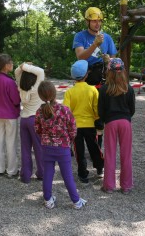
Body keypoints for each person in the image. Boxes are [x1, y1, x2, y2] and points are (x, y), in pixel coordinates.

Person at [35, 81, 87, 209]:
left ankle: (48, 200)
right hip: (63, 148)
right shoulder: (64, 110)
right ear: (54, 93)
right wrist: (68, 139)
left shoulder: (39, 112)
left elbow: (37, 129)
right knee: (67, 175)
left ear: (40, 96)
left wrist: (45, 138)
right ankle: (76, 201)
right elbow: (73, 129)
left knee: (48, 174)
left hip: (46, 147)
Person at [63, 60, 104, 184]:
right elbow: (97, 108)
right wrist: (97, 119)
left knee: (79, 151)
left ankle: (83, 174)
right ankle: (99, 168)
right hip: (90, 125)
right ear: (86, 74)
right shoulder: (92, 90)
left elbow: (66, 110)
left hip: (76, 127)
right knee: (94, 147)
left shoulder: (69, 92)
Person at [98, 58, 135, 194]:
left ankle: (109, 185)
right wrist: (126, 117)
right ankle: (126, 186)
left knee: (110, 153)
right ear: (123, 71)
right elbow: (132, 109)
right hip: (125, 122)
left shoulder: (104, 89)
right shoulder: (129, 89)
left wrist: (105, 120)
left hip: (111, 122)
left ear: (109, 71)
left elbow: (100, 110)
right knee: (126, 154)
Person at [0, 54, 21, 178]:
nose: (12, 64)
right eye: (11, 63)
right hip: (10, 115)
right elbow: (16, 100)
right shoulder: (9, 81)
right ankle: (11, 170)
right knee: (11, 142)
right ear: (6, 65)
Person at [14, 62, 44, 183]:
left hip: (24, 119)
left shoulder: (21, 86)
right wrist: (27, 66)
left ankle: (25, 175)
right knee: (39, 148)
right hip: (35, 119)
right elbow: (41, 71)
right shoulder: (37, 86)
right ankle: (42, 173)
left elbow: (17, 72)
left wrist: (23, 65)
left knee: (25, 149)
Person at [72, 7, 117, 86]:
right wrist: (95, 44)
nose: (98, 24)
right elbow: (80, 57)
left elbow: (113, 60)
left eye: (99, 21)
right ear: (87, 22)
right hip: (86, 77)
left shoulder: (107, 38)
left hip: (103, 76)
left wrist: (108, 60)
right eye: (94, 21)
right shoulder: (80, 36)